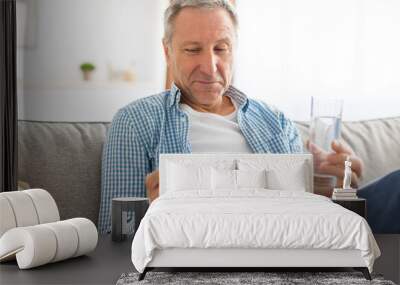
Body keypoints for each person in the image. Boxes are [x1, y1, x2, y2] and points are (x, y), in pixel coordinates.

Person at [98, 0, 365, 234]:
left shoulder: (277, 122)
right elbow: (115, 235)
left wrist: (340, 193)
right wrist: (153, 215)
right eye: (193, 49)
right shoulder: (135, 122)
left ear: (235, 50)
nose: (210, 67)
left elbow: (310, 223)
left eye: (221, 48)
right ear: (168, 52)